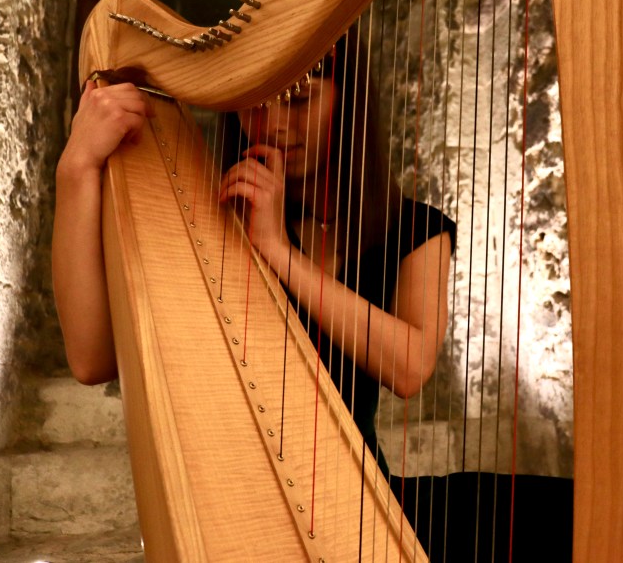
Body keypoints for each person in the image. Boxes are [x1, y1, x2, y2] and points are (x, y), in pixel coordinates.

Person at [51, 32, 456, 476]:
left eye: (299, 100)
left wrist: (277, 250)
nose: (274, 125)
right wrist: (76, 168)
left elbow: (409, 369)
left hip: (362, 494)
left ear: (350, 103)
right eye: (253, 104)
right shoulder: (208, 221)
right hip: (228, 485)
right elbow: (91, 360)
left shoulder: (416, 229)